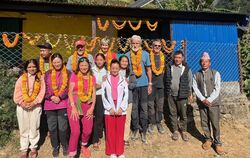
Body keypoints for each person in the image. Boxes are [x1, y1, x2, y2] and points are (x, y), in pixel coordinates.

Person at [192, 52, 224, 155]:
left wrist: (209, 99)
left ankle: (217, 143)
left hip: (213, 103)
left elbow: (217, 88)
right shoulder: (196, 75)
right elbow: (195, 88)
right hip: (202, 103)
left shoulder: (216, 73)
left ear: (209, 63)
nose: (204, 63)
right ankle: (208, 140)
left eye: (206, 61)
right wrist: (202, 99)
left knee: (215, 123)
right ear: (200, 63)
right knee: (204, 122)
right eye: (202, 61)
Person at [13, 59, 45, 158]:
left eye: (34, 67)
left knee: (34, 127)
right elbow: (17, 92)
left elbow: (42, 93)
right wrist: (22, 103)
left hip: (35, 106)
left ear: (37, 67)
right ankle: (24, 149)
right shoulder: (21, 78)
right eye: (29, 67)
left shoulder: (40, 79)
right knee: (23, 128)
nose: (32, 69)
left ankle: (33, 147)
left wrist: (34, 103)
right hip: (22, 107)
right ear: (26, 68)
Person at [125, 35, 152, 144]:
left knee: (144, 108)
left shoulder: (145, 54)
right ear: (131, 43)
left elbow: (149, 70)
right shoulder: (127, 55)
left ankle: (144, 130)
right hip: (132, 87)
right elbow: (124, 70)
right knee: (134, 109)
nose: (135, 45)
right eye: (133, 43)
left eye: (137, 43)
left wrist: (150, 83)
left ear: (140, 44)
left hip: (144, 85)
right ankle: (135, 128)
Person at [67, 57, 96, 158]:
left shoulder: (92, 77)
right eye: (82, 65)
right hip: (74, 104)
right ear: (79, 66)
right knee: (75, 131)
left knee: (88, 130)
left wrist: (92, 107)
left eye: (85, 65)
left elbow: (93, 94)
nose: (84, 67)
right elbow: (70, 93)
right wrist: (73, 107)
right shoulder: (74, 76)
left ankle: (83, 145)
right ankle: (72, 152)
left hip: (87, 104)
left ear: (89, 66)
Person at [44, 53, 71, 157]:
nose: (56, 64)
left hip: (63, 103)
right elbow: (45, 87)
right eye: (54, 62)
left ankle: (64, 145)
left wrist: (60, 97)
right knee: (52, 127)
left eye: (58, 62)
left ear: (62, 61)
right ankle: (55, 146)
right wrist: (51, 97)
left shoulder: (68, 73)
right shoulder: (47, 73)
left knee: (63, 127)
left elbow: (68, 87)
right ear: (52, 63)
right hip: (49, 104)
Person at [102, 59, 128, 158]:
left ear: (119, 68)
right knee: (110, 131)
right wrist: (109, 108)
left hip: (120, 107)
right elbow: (104, 95)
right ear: (110, 68)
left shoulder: (123, 80)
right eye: (113, 68)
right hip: (110, 108)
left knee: (120, 130)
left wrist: (121, 108)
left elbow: (126, 95)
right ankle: (112, 151)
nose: (115, 70)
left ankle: (120, 152)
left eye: (117, 68)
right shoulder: (106, 80)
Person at [165, 50, 192, 141]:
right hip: (171, 95)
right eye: (176, 57)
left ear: (182, 58)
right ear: (173, 58)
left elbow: (190, 81)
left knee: (183, 114)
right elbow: (166, 79)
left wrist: (190, 94)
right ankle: (175, 131)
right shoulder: (169, 67)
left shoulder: (186, 68)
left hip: (182, 95)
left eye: (179, 57)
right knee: (173, 114)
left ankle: (183, 131)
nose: (177, 59)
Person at [147, 39, 165, 134]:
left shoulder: (163, 57)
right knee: (150, 105)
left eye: (159, 46)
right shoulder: (148, 56)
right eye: (155, 45)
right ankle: (152, 122)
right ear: (152, 46)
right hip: (151, 85)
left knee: (160, 105)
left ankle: (159, 122)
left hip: (160, 85)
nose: (157, 47)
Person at [119, 55, 136, 146]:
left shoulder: (130, 73)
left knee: (127, 119)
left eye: (126, 61)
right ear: (119, 62)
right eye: (122, 61)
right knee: (118, 119)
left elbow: (134, 85)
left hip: (128, 100)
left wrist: (128, 83)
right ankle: (117, 137)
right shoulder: (115, 71)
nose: (124, 63)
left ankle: (125, 138)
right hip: (117, 100)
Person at [91, 53, 107, 150]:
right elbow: (92, 85)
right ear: (95, 61)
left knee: (100, 117)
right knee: (93, 117)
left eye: (102, 60)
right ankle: (95, 140)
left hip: (102, 97)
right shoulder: (91, 71)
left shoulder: (107, 72)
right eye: (98, 60)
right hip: (92, 96)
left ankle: (99, 135)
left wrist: (99, 84)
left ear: (104, 61)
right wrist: (102, 84)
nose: (100, 61)